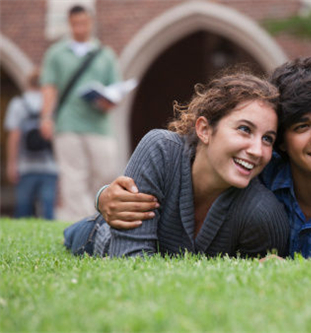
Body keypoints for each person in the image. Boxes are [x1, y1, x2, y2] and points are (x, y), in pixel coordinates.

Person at [97, 56, 311, 259]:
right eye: (303, 125)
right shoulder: (262, 167)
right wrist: (104, 198)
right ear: (283, 144)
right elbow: (191, 164)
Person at [63, 73, 289, 258]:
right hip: (97, 234)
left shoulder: (262, 213)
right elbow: (129, 262)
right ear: (204, 130)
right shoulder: (161, 150)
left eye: (267, 138)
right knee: (77, 233)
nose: (257, 150)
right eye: (244, 129)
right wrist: (101, 196)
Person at [39, 4, 120, 221]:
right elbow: (49, 87)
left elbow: (115, 91)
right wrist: (46, 117)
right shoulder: (56, 53)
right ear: (69, 24)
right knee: (73, 174)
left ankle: (98, 216)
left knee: (104, 171)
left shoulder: (105, 54)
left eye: (83, 23)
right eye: (75, 24)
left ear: (91, 22)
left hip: (99, 125)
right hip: (67, 123)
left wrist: (106, 101)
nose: (80, 28)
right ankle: (80, 222)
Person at [4, 69, 58, 219]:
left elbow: (14, 136)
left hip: (25, 166)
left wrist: (11, 164)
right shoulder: (51, 104)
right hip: (50, 166)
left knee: (23, 208)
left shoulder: (18, 104)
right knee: (48, 209)